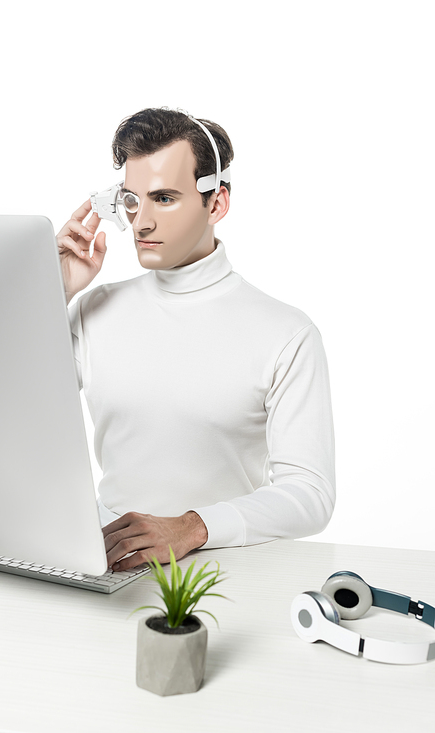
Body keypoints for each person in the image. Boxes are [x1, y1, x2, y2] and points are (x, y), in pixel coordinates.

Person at [56, 108, 335, 573]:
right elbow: (8, 420)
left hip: (221, 572)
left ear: (217, 204)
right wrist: (53, 290)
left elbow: (311, 493)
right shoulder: (92, 311)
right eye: (131, 200)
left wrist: (190, 527)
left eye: (163, 198)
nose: (141, 222)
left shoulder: (287, 334)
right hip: (104, 562)